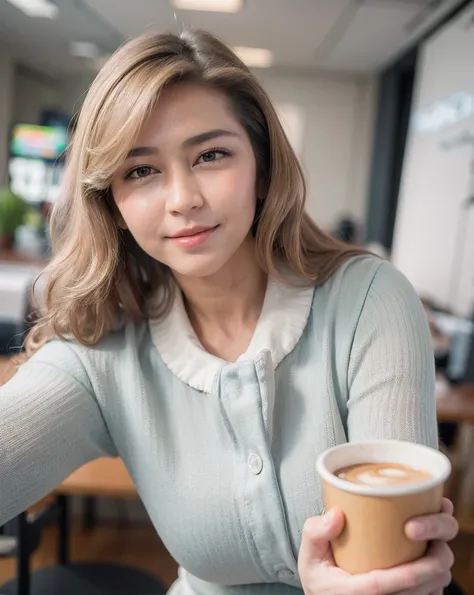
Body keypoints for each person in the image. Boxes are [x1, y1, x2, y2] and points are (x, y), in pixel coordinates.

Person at [0, 29, 458, 595]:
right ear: (112, 205)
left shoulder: (370, 300)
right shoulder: (104, 345)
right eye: (141, 171)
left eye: (211, 155)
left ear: (262, 169)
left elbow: (391, 559)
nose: (182, 198)